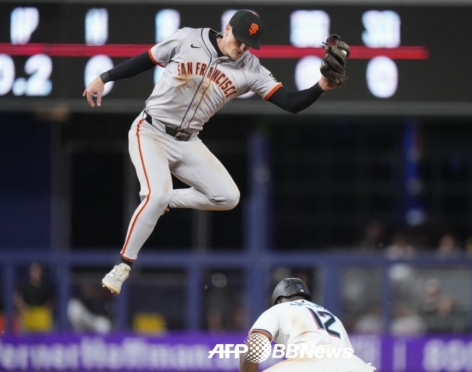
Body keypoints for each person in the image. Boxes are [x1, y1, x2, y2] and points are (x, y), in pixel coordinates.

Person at [82, 10, 344, 295]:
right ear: (227, 29)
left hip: (189, 140)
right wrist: (104, 77)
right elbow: (146, 60)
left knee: (228, 196)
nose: (242, 47)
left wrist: (321, 87)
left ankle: (166, 200)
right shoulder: (187, 38)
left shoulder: (250, 68)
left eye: (249, 43)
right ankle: (123, 265)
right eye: (240, 38)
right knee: (155, 195)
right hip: (151, 131)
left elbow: (290, 102)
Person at [240, 278, 375, 372]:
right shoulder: (332, 316)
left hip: (309, 362)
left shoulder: (278, 309)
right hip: (354, 365)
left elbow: (254, 348)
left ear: (279, 300)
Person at [13, 262, 55, 333]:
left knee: (47, 319)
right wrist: (23, 307)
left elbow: (51, 301)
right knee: (20, 319)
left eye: (37, 271)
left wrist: (46, 309)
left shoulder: (45, 286)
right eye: (33, 271)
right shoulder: (24, 285)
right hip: (27, 312)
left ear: (41, 272)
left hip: (41, 313)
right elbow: (17, 297)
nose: (35, 273)